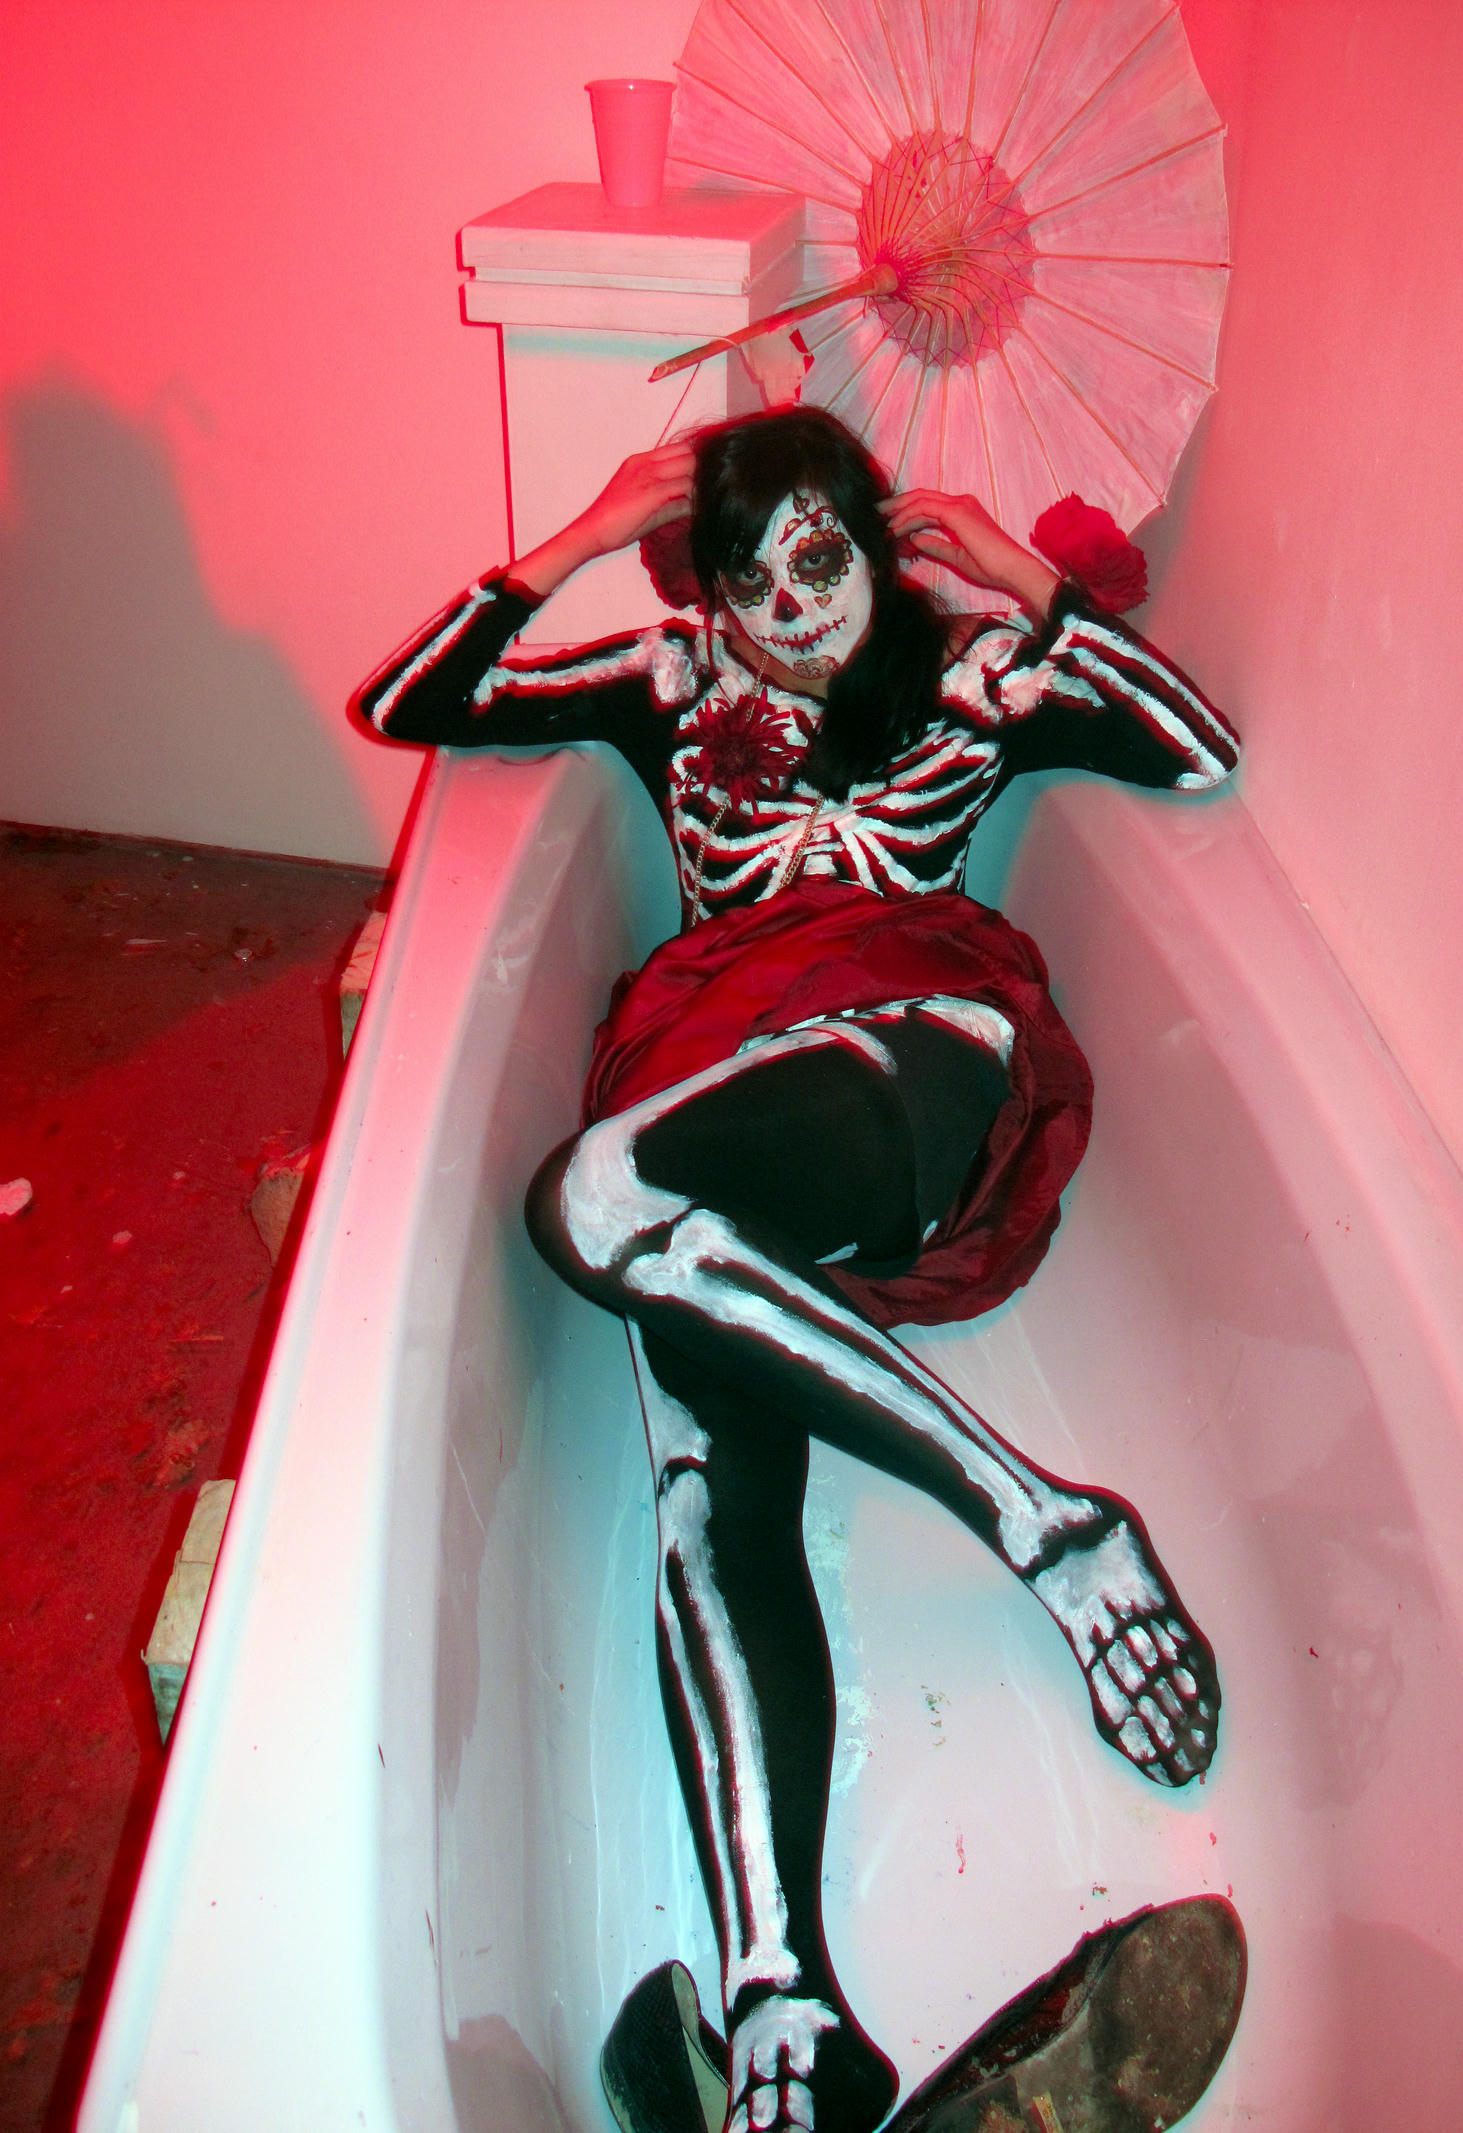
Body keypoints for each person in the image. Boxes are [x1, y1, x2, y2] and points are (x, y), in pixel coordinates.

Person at [355, 408, 1239, 2133]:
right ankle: (789, 1999)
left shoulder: (972, 684)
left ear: (876, 542)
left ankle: (1050, 1524)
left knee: (601, 1195)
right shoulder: (671, 686)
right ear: (708, 587)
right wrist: (581, 538)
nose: (789, 604)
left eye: (823, 555)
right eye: (747, 577)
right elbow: (409, 701)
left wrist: (1021, 576)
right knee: (706, 1496)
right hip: (711, 1108)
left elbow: (1198, 751)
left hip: (911, 1055)